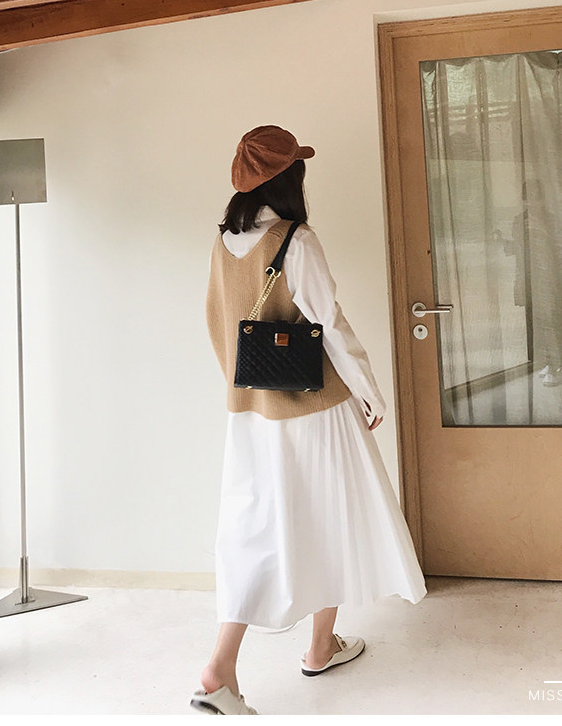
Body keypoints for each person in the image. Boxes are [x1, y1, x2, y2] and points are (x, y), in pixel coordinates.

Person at [191, 126, 426, 715]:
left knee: (253, 530)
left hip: (250, 415)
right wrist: (369, 391)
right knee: (330, 515)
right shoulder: (295, 240)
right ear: (287, 178)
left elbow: (217, 326)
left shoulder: (224, 241)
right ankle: (314, 646)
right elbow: (331, 323)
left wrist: (246, 392)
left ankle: (233, 663)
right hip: (315, 408)